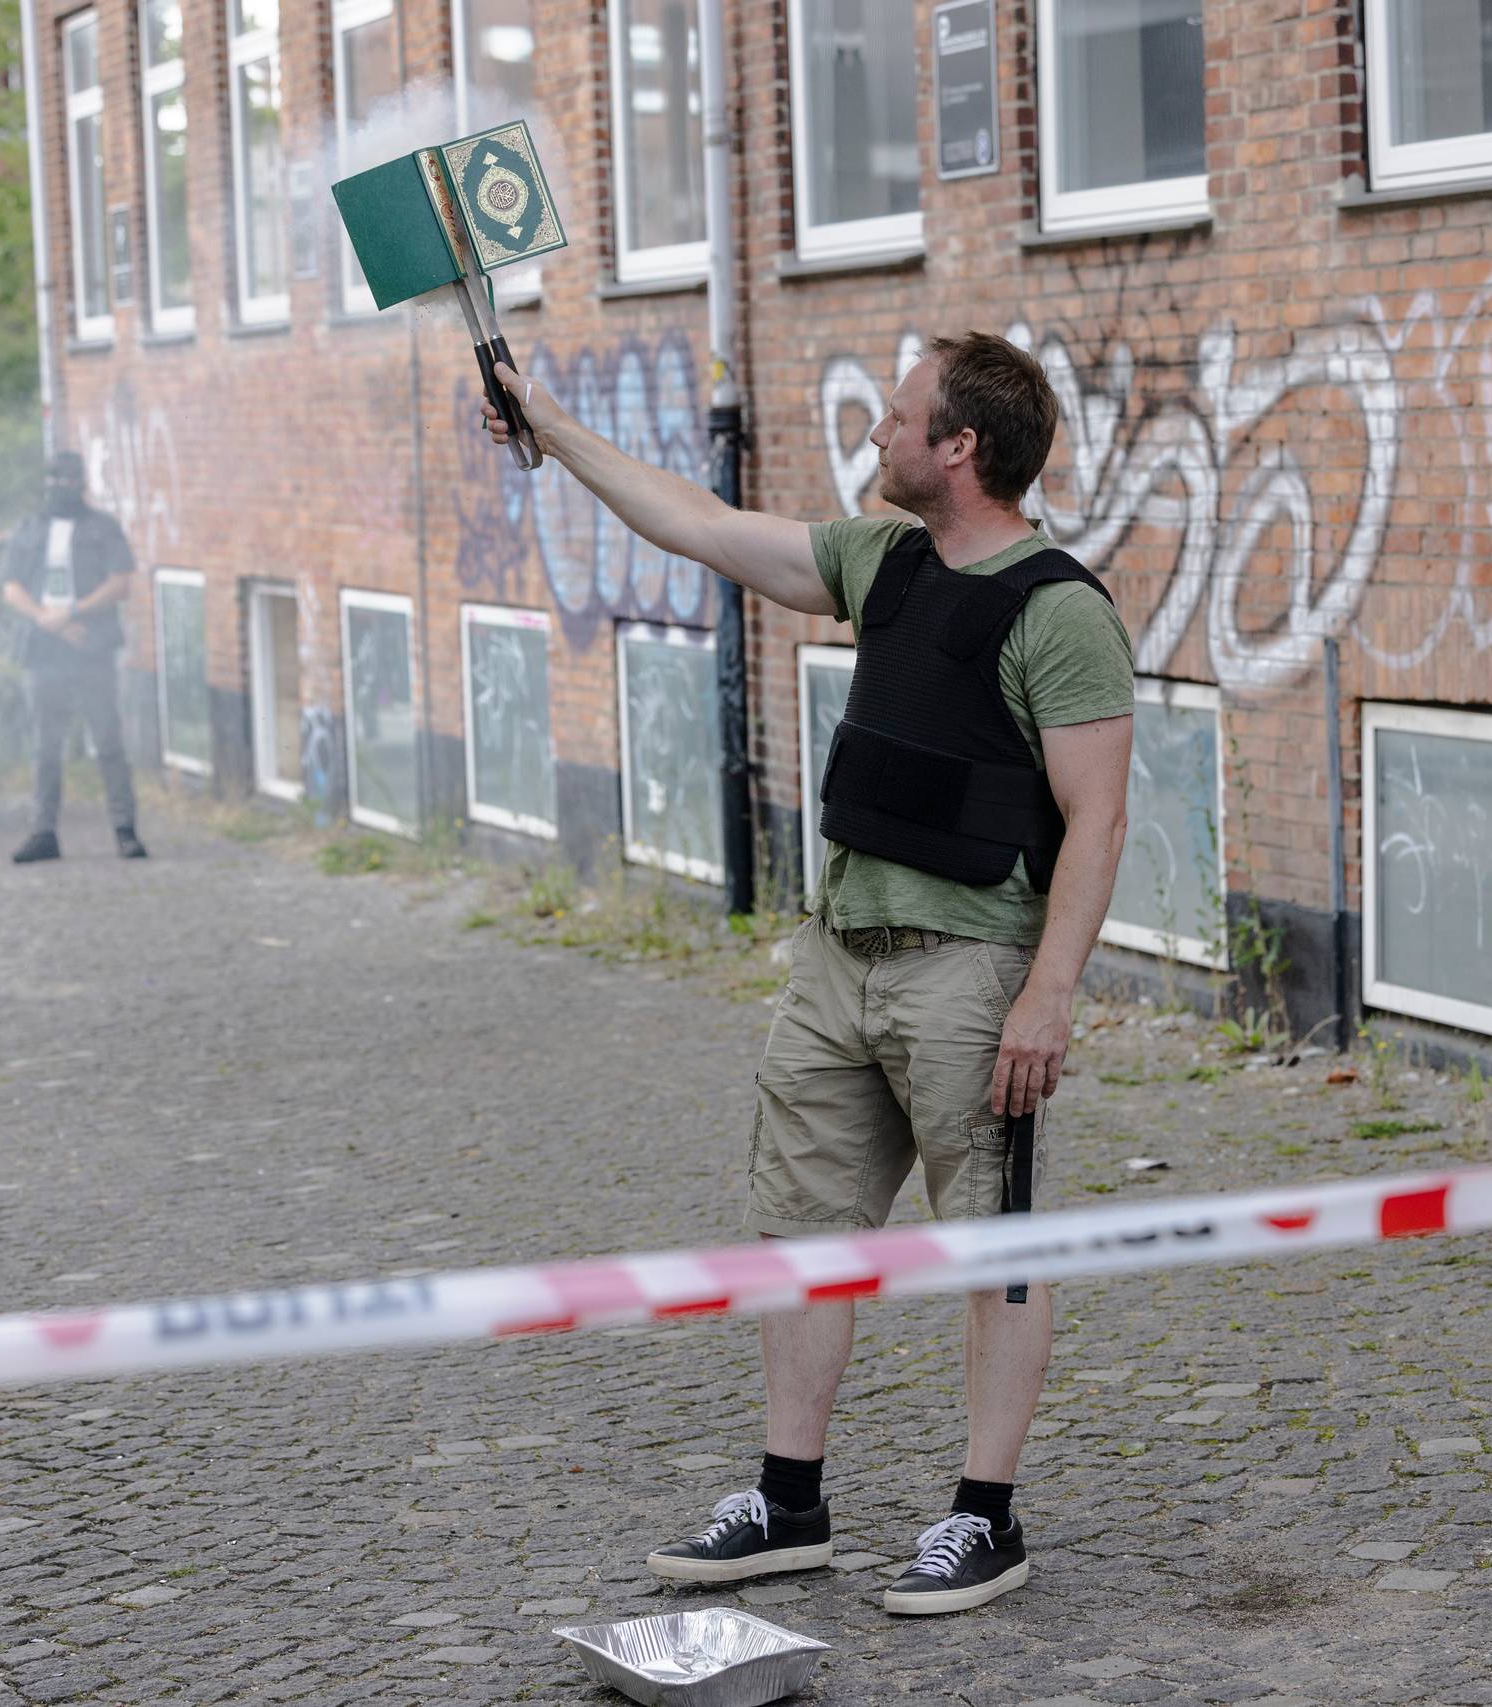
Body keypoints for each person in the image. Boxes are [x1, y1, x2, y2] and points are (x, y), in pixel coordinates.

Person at [480, 333, 1133, 1616]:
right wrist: (550, 427)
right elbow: (702, 526)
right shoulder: (875, 560)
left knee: (995, 1250)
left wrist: (1048, 994)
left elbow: (1097, 821)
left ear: (961, 448)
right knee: (799, 1236)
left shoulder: (1058, 610)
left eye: (899, 421)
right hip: (839, 961)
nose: (877, 438)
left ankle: (984, 1520)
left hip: (971, 976)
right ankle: (789, 1502)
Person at [0, 450, 145, 863]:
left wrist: (75, 613)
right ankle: (43, 832)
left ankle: (125, 830)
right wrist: (49, 620)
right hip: (42, 651)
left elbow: (121, 583)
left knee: (108, 743)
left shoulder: (103, 528)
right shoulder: (29, 528)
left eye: (68, 480)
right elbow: (11, 587)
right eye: (54, 480)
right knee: (45, 747)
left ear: (80, 483)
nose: (60, 487)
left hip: (92, 649)